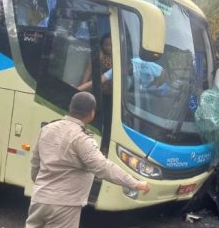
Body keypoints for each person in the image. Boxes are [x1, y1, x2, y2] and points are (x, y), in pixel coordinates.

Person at [25, 92, 150, 228]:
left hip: (39, 199)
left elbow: (35, 163)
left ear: (70, 107)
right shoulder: (81, 138)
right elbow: (103, 167)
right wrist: (135, 184)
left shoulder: (47, 129)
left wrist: (43, 187)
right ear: (92, 113)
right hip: (64, 205)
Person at [78, 57, 169, 96]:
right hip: (134, 91)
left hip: (152, 88)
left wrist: (156, 85)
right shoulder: (118, 69)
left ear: (129, 66)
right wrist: (78, 89)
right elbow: (99, 80)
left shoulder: (144, 64)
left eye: (123, 70)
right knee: (127, 82)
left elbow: (163, 73)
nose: (120, 72)